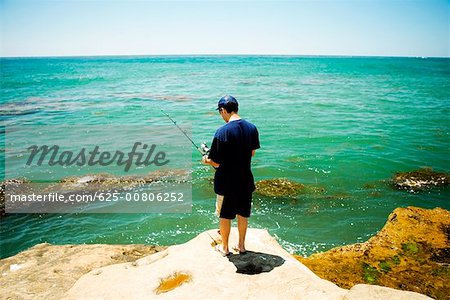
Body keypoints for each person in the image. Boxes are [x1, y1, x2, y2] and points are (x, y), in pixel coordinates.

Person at [202, 95, 260, 256]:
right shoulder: (252, 128)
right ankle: (241, 246)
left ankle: (225, 247)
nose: (221, 115)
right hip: (245, 180)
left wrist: (206, 160)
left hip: (227, 183)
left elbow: (216, 161)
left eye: (220, 112)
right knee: (243, 214)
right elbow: (252, 153)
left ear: (223, 110)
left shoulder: (222, 132)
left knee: (225, 215)